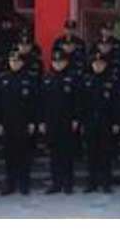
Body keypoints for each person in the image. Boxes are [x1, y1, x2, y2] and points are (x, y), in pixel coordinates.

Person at [0, 50, 38, 195]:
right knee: (9, 155)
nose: (15, 63)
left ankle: (24, 184)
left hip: (23, 121)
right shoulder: (2, 78)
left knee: (24, 154)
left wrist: (32, 121)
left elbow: (34, 102)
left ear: (22, 63)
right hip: (7, 122)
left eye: (18, 61)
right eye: (12, 61)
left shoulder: (29, 79)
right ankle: (10, 184)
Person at [39, 49, 81, 194]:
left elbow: (78, 100)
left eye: (61, 61)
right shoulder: (46, 78)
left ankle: (68, 184)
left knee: (67, 154)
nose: (58, 64)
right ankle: (56, 184)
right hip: (51, 121)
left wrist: (76, 118)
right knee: (54, 155)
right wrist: (41, 121)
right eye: (55, 61)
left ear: (66, 62)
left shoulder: (72, 78)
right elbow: (41, 101)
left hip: (67, 121)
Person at [80, 53, 119, 193]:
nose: (98, 66)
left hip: (106, 122)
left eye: (101, 64)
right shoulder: (86, 80)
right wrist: (82, 121)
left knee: (105, 154)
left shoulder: (111, 81)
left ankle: (106, 183)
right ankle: (91, 183)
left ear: (105, 65)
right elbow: (81, 103)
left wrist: (116, 122)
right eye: (95, 64)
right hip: (90, 122)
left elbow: (116, 104)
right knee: (91, 154)